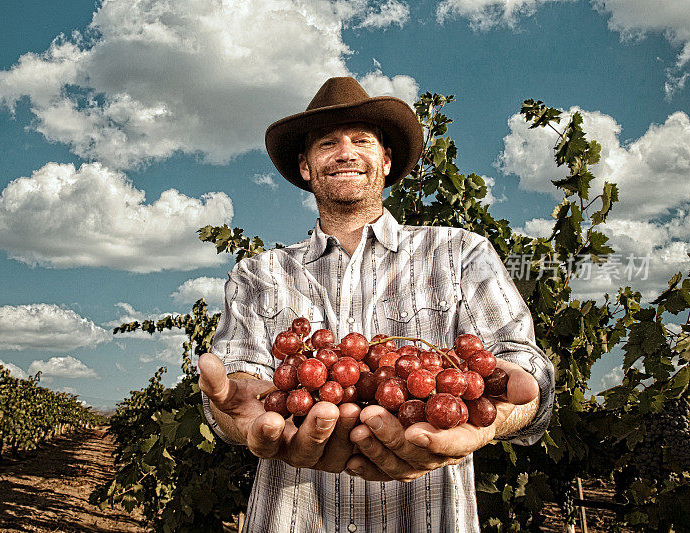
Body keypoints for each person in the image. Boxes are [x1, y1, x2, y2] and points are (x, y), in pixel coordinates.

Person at [199, 77, 554, 532]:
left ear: (385, 161)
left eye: (362, 139)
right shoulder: (257, 274)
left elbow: (520, 364)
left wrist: (497, 414)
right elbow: (238, 383)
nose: (346, 152)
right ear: (306, 167)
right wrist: (236, 410)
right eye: (327, 143)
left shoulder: (462, 253)